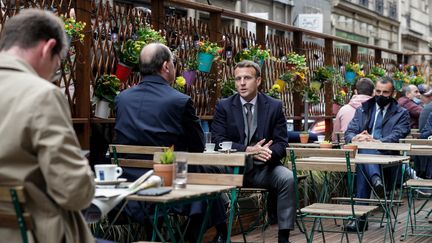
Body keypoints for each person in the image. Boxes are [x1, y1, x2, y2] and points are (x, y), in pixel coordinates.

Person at [115, 43, 226, 242]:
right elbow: (198, 147)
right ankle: (196, 236)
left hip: (130, 182)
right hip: (168, 181)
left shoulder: (122, 99)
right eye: (174, 64)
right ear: (166, 66)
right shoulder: (179, 100)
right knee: (214, 179)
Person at [0, 9, 95, 243]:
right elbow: (74, 191)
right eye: (57, 63)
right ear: (47, 47)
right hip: (32, 234)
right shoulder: (41, 95)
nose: (53, 74)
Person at [211, 60, 295, 243]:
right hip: (232, 169)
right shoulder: (224, 106)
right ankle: (221, 231)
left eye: (247, 78)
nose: (241, 83)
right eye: (238, 78)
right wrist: (247, 150)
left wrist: (268, 153)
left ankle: (284, 236)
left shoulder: (274, 106)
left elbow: (281, 143)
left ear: (258, 81)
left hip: (263, 169)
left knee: (287, 178)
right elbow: (218, 141)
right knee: (209, 172)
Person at [345, 76, 410, 231]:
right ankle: (375, 181)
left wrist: (374, 141)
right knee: (363, 156)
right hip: (365, 160)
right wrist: (356, 137)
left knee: (364, 155)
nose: (381, 95)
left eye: (385, 92)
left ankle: (360, 220)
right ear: (374, 91)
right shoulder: (363, 108)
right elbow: (349, 132)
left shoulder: (402, 113)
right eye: (378, 91)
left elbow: (397, 134)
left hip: (388, 161)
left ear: (393, 93)